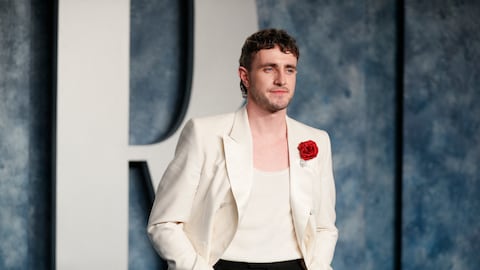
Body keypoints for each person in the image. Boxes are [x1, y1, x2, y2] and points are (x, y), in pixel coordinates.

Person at [147, 28, 338, 270]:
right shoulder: (204, 134)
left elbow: (324, 226)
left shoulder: (317, 140)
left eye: (289, 69)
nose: (281, 79)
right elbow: (163, 222)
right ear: (245, 77)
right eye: (269, 68)